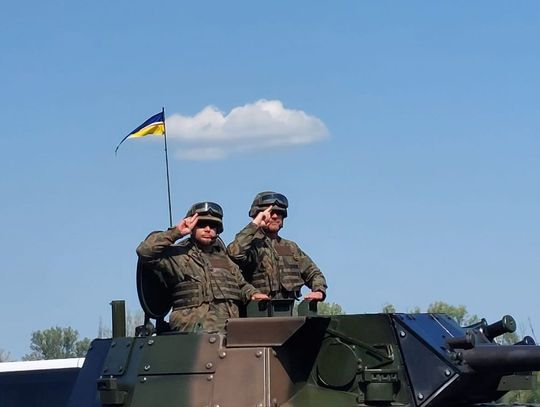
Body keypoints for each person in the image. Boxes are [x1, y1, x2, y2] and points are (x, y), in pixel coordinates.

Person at [136, 201, 269, 333]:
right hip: (193, 333)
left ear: (218, 230)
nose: (207, 229)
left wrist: (253, 293)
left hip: (229, 331)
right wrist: (176, 232)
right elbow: (144, 251)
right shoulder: (179, 256)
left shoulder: (225, 259)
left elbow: (241, 285)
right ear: (192, 227)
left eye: (212, 225)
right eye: (201, 224)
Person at [227, 191, 327, 301]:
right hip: (256, 308)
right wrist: (255, 225)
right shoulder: (250, 245)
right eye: (270, 213)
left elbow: (313, 272)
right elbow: (234, 253)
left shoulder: (290, 247)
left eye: (279, 213)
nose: (275, 216)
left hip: (286, 309)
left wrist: (319, 290)